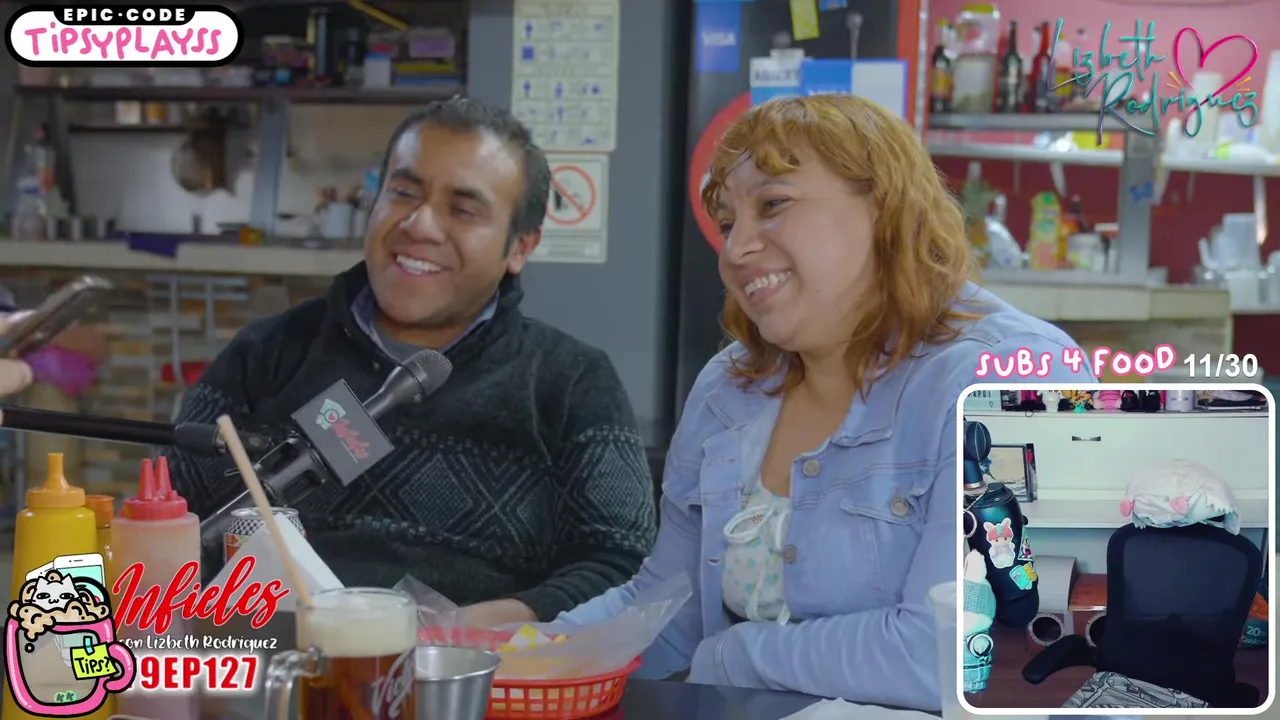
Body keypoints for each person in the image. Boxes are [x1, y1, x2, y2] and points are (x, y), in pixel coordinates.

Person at [561, 95, 1095, 710]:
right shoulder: (727, 387)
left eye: (773, 204)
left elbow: (961, 650)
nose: (735, 250)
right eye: (729, 223)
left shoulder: (1009, 375)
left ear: (883, 207)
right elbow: (665, 610)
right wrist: (513, 656)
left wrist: (731, 656)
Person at [166, 98, 657, 627]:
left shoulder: (572, 381)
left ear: (520, 246)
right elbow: (169, 518)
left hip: (469, 669)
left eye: (463, 209)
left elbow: (620, 564)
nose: (420, 224)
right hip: (271, 658)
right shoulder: (269, 352)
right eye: (403, 193)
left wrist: (467, 633)